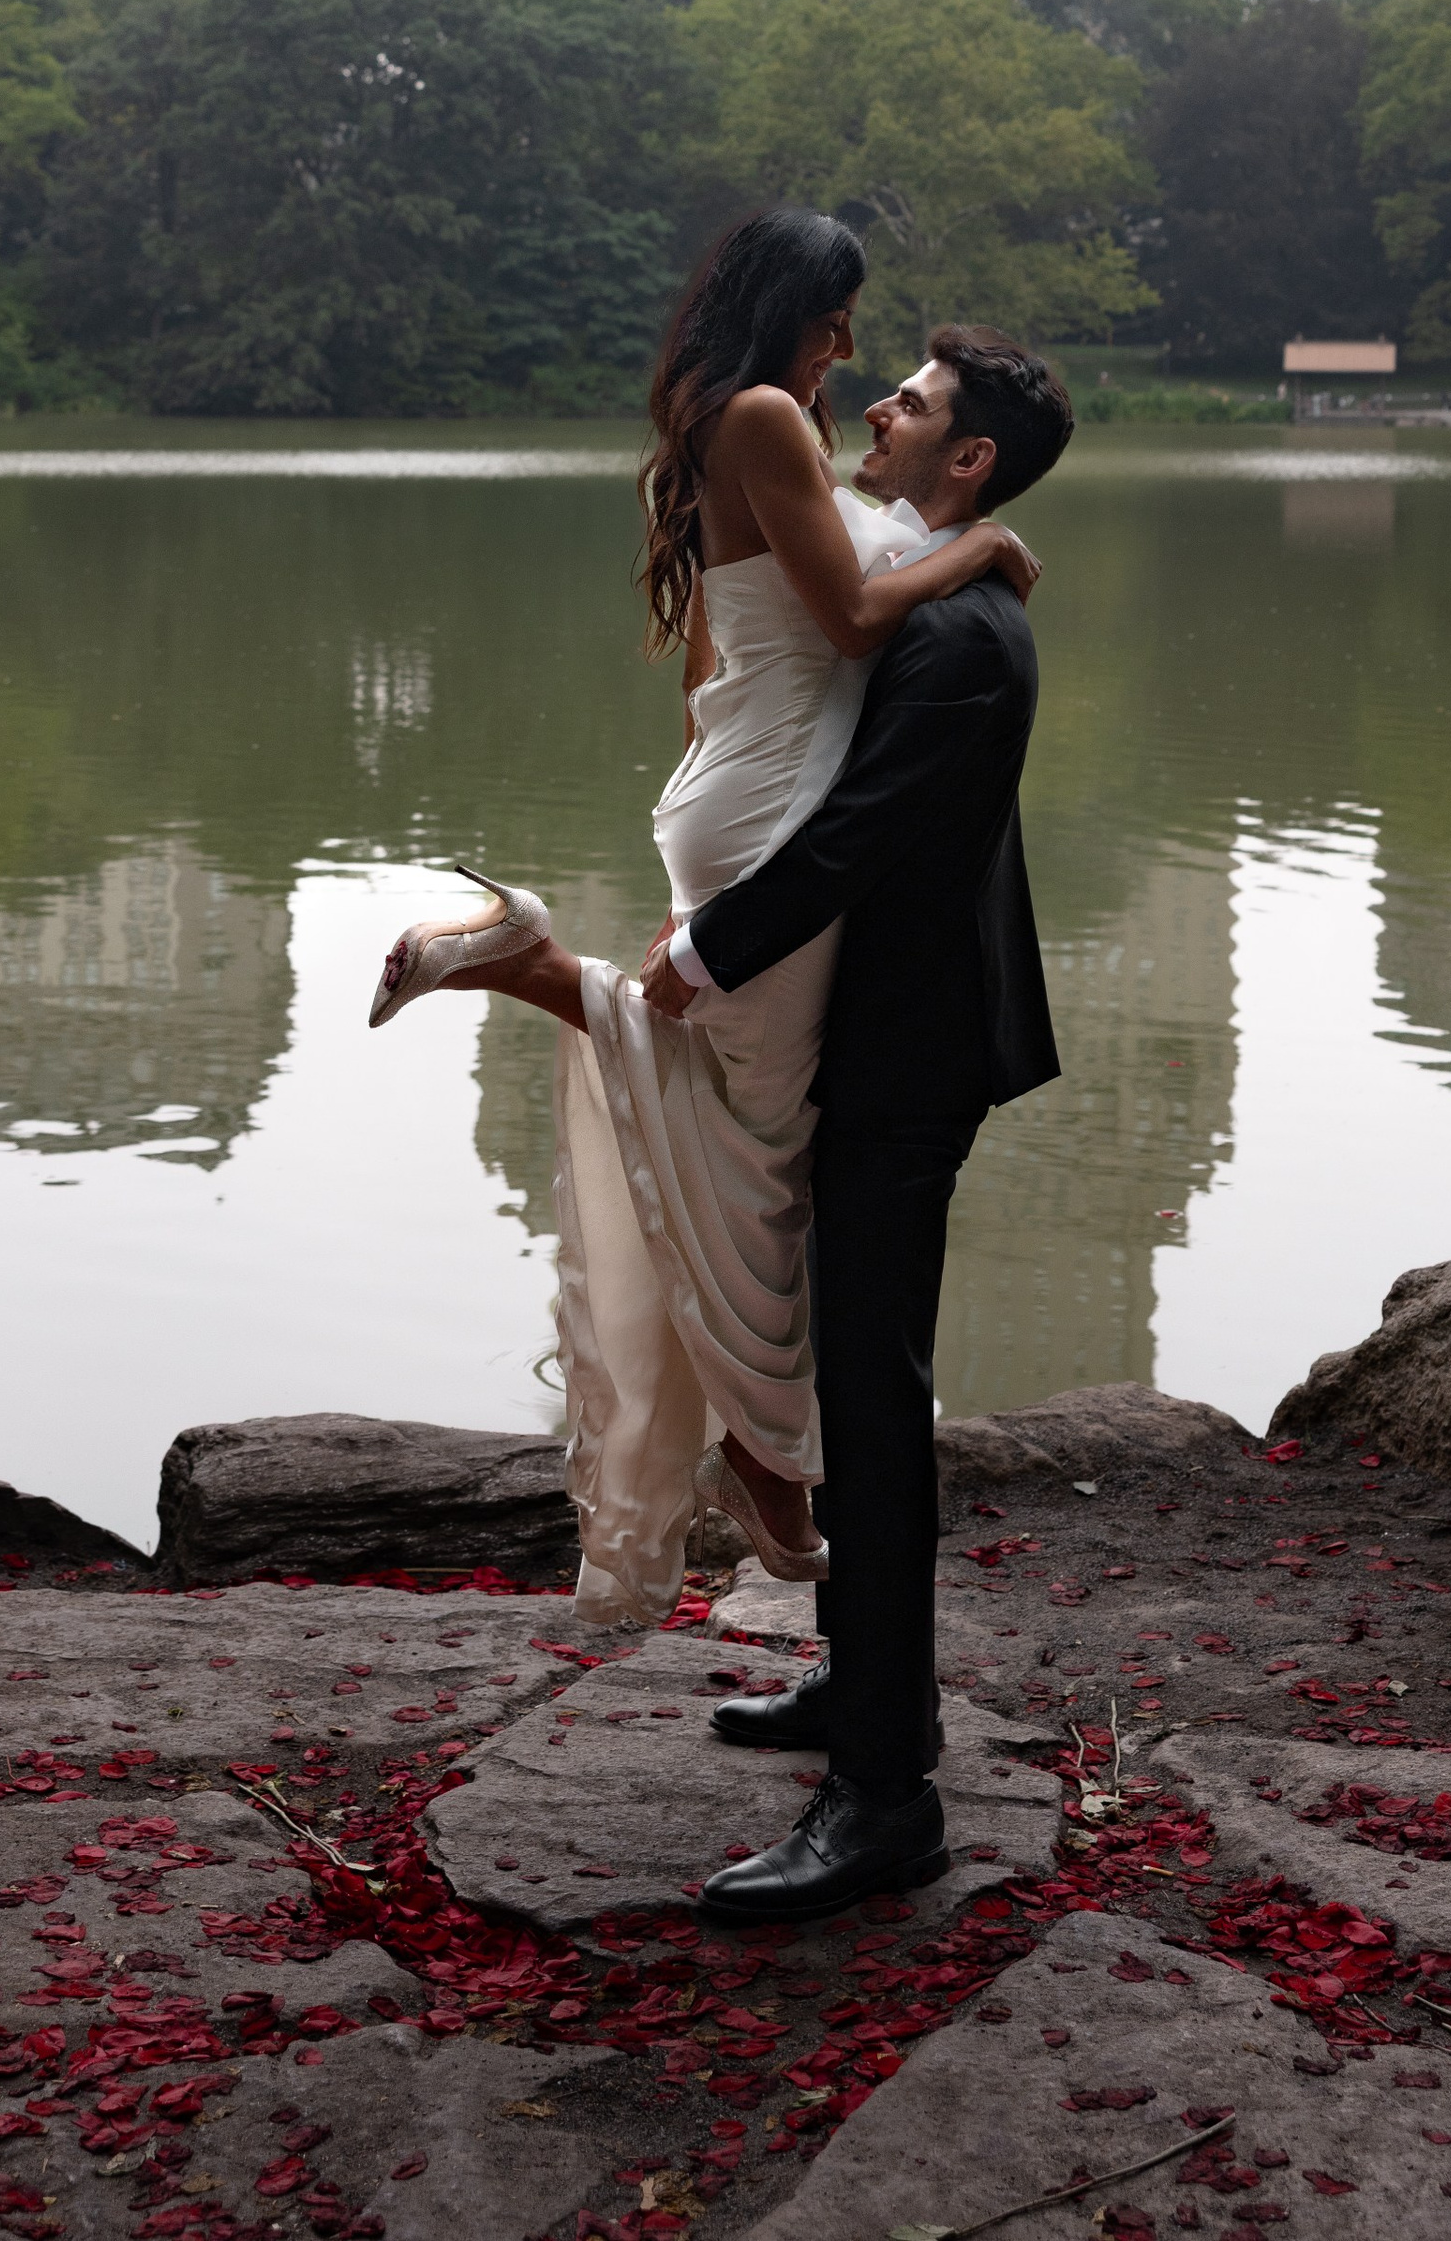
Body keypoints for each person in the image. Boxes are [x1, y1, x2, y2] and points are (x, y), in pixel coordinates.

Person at [366, 207, 1041, 1627]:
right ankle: (774, 1479)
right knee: (768, 1153)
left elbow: (720, 650)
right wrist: (978, 554)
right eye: (842, 318)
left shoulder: (746, 420)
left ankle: (537, 966)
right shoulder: (761, 417)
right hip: (771, 801)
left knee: (745, 1118)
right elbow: (855, 619)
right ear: (793, 303)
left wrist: (705, 786)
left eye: (885, 360)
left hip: (735, 779)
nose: (854, 352)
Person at [644, 318, 1074, 1920]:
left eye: (911, 402)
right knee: (852, 1377)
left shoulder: (965, 642)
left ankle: (887, 1796)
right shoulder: (940, 586)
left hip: (906, 1061)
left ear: (966, 461)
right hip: (878, 1042)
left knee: (877, 1414)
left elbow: (860, 839)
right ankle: (865, 1687)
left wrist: (705, 950)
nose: (876, 409)